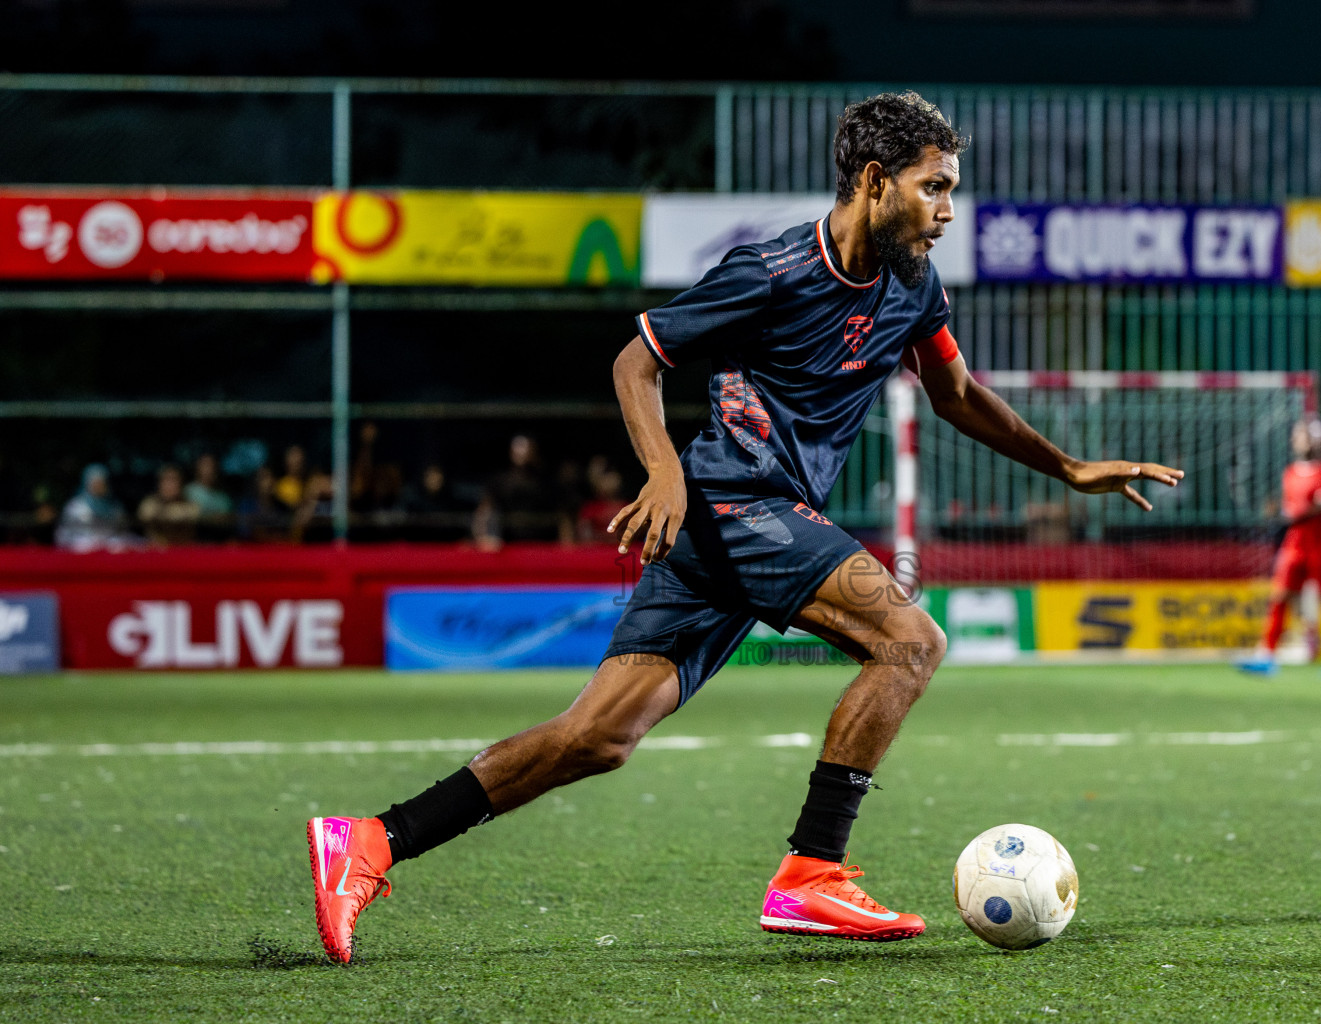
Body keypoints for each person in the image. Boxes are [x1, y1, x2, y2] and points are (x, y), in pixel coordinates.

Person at [307, 91, 1183, 964]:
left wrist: (1066, 466)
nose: (948, 209)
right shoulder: (771, 271)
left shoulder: (914, 281)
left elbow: (954, 395)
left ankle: (373, 842)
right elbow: (637, 360)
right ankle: (812, 871)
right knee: (910, 641)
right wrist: (662, 472)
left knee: (598, 738)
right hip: (732, 503)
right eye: (934, 187)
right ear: (875, 181)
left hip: (732, 530)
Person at [1238, 417, 1321, 680]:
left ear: (1316, 440)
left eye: (1301, 435)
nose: (1296, 440)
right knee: (1280, 596)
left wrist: (1298, 513)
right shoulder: (1291, 472)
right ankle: (1267, 655)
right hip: (1295, 542)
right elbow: (1292, 508)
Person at [55, 464, 138, 552]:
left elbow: (122, 530)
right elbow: (64, 533)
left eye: (102, 483)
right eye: (96, 483)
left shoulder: (114, 507)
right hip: (82, 546)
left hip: (109, 546)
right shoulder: (75, 507)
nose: (99, 486)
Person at [137, 463, 201, 547]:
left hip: (181, 551)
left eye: (174, 480)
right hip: (155, 551)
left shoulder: (190, 506)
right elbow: (145, 516)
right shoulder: (149, 504)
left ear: (181, 483)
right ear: (159, 483)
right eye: (166, 480)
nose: (170, 485)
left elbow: (191, 516)